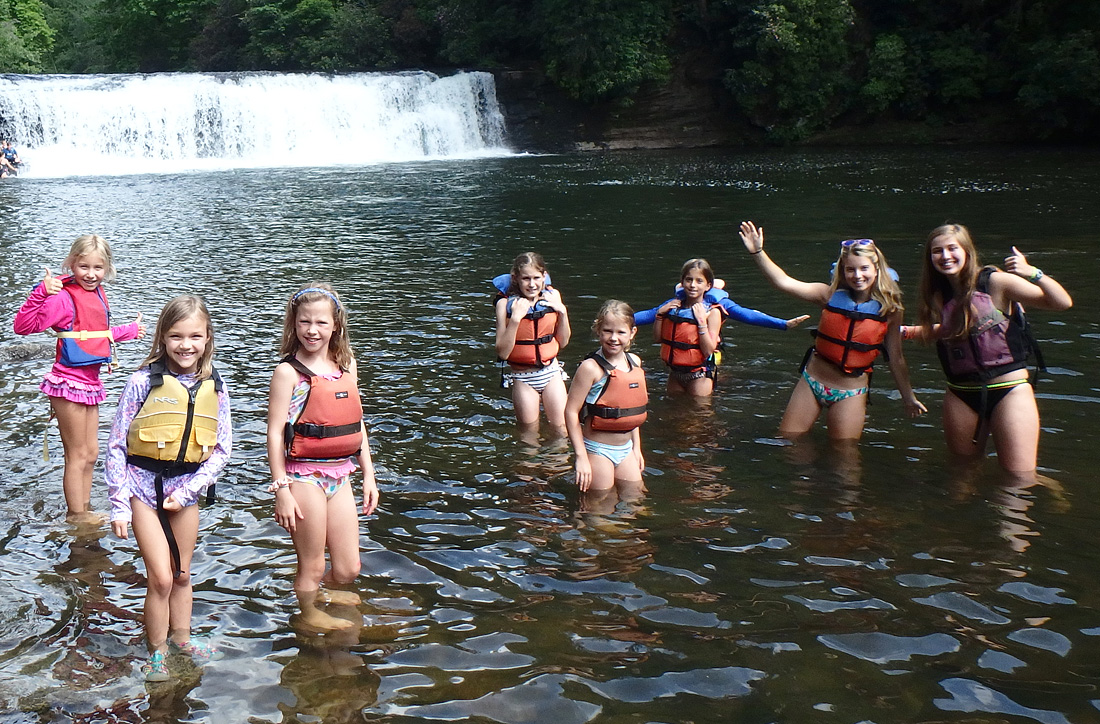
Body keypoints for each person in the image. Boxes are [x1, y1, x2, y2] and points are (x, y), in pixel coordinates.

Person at [106, 295, 232, 682]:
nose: (186, 345)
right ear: (162, 337)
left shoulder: (216, 385)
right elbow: (115, 445)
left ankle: (182, 637)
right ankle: (156, 650)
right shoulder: (142, 381)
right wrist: (119, 505)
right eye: (176, 336)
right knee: (160, 578)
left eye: (195, 336)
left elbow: (222, 447)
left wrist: (191, 489)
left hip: (185, 490)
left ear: (208, 337)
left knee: (181, 575)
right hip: (142, 488)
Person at [739, 221, 926, 439]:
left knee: (843, 459)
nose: (857, 275)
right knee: (789, 443)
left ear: (877, 269)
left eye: (864, 268)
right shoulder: (827, 295)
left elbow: (896, 357)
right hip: (812, 382)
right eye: (850, 269)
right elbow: (783, 282)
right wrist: (758, 252)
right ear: (842, 271)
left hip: (851, 392)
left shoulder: (890, 310)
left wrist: (908, 397)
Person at [914, 223, 1072, 472]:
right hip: (960, 392)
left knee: (1018, 478)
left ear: (966, 250)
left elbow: (1061, 303)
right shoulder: (937, 295)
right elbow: (957, 332)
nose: (945, 256)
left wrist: (1032, 273)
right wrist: (904, 332)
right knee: (961, 475)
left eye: (952, 248)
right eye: (937, 251)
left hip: (1009, 390)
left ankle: (1050, 489)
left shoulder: (997, 282)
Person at [267, 284, 379, 632]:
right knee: (312, 565)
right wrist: (281, 489)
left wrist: (369, 475)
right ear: (294, 324)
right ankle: (308, 612)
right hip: (302, 478)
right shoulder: (288, 372)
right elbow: (273, 433)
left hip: (340, 475)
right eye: (304, 322)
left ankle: (320, 594)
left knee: (348, 569)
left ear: (336, 325)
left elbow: (355, 421)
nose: (312, 330)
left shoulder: (346, 365)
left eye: (320, 322)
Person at [13, 234, 146, 520]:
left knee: (91, 454)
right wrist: (40, 292)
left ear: (107, 268)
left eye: (98, 268)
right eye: (84, 267)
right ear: (72, 264)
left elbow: (95, 336)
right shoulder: (62, 297)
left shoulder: (97, 293)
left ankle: (84, 509)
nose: (90, 274)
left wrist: (130, 331)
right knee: (76, 455)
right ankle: (77, 516)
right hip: (66, 382)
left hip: (89, 383)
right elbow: (23, 327)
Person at [565, 300, 647, 505]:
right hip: (597, 450)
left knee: (636, 502)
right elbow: (570, 412)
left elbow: (629, 410)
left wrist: (637, 448)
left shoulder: (635, 362)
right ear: (598, 331)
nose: (613, 338)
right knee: (601, 508)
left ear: (632, 332)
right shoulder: (590, 368)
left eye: (620, 332)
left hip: (626, 449)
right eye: (607, 331)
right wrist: (581, 457)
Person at [494, 252, 572, 437]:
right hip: (523, 377)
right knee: (529, 434)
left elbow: (564, 342)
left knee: (561, 430)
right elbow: (503, 353)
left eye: (536, 278)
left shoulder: (553, 297)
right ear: (516, 278)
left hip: (551, 372)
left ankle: (557, 466)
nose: (532, 284)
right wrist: (515, 319)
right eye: (526, 278)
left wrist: (563, 312)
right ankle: (529, 466)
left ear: (544, 276)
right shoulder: (504, 305)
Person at [650, 259, 729, 396]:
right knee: (672, 413)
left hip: (700, 375)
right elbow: (657, 339)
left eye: (699, 281)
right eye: (689, 280)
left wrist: (701, 322)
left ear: (708, 285)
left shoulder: (712, 312)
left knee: (697, 414)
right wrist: (659, 315)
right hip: (675, 374)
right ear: (682, 282)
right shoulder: (673, 308)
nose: (693, 285)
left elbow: (708, 351)